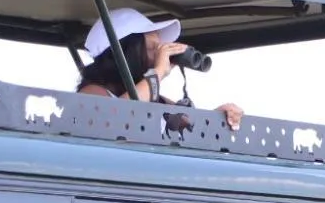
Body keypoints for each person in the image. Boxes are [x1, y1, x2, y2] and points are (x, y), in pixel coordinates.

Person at [76, 8, 244, 128]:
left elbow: (192, 125)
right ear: (126, 52)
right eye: (152, 48)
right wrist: (158, 72)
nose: (158, 54)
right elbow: (114, 117)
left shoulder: (154, 98)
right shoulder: (91, 93)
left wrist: (218, 117)